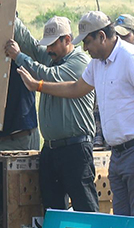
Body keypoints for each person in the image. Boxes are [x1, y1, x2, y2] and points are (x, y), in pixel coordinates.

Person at [18, 11, 134, 217]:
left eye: (88, 42)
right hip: (117, 153)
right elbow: (75, 88)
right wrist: (39, 86)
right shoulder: (98, 63)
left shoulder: (129, 57)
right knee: (121, 221)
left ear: (102, 36)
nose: (85, 48)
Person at [6, 15, 100, 213]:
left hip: (75, 148)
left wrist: (19, 57)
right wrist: (8, 13)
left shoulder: (79, 61)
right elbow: (29, 42)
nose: (48, 50)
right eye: (47, 45)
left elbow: (49, 76)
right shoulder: (51, 57)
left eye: (53, 44)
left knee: (85, 208)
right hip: (50, 150)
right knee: (52, 211)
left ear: (67, 40)